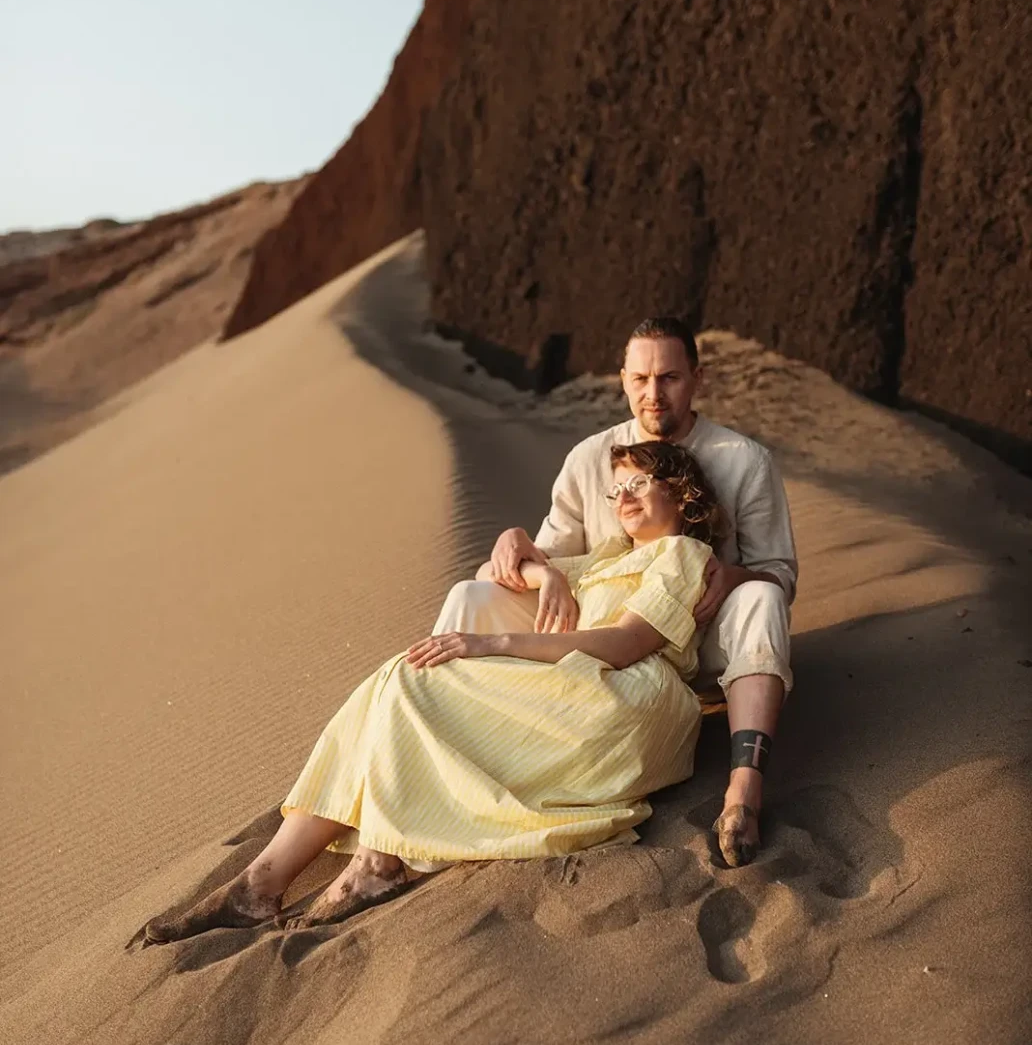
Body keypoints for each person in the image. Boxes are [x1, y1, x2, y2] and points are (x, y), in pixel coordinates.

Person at [143, 442, 723, 944]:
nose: (623, 497)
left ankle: (372, 862)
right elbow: (494, 570)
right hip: (577, 684)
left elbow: (625, 644)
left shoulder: (684, 554)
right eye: (615, 487)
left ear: (683, 493)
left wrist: (489, 644)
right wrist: (547, 575)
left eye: (639, 484)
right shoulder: (609, 557)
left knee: (412, 678)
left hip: (627, 700)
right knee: (398, 677)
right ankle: (263, 881)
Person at [435, 316, 796, 867]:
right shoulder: (589, 459)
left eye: (670, 378)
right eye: (641, 379)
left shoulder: (744, 460)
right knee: (470, 596)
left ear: (697, 378)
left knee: (764, 598)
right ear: (621, 380)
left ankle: (743, 789)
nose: (654, 395)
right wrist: (527, 551)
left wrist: (736, 576)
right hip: (606, 635)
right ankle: (441, 751)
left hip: (704, 635)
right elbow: (550, 553)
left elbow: (780, 572)